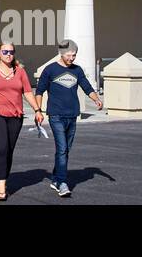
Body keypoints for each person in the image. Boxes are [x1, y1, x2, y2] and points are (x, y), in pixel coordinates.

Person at [34, 38, 104, 198]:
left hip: (72, 115)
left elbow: (87, 87)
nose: (72, 58)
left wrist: (96, 99)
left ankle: (56, 177)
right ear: (62, 53)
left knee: (65, 150)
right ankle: (63, 183)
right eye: (70, 55)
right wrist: (38, 111)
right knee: (62, 148)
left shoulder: (77, 70)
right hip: (56, 115)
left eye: (74, 55)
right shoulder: (50, 70)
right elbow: (39, 91)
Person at [0, 43, 43, 201]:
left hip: (15, 116)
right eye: (5, 51)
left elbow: (27, 92)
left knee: (9, 151)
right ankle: (1, 186)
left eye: (11, 52)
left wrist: (37, 110)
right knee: (1, 149)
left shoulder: (20, 72)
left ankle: (2, 176)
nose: (8, 54)